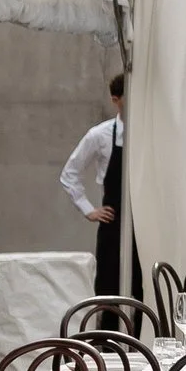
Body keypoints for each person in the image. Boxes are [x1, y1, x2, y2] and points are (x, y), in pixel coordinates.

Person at [61, 73, 131, 297]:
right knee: (109, 284)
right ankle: (108, 332)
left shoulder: (150, 134)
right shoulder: (99, 135)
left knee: (141, 284)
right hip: (113, 220)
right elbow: (69, 173)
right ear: (115, 100)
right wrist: (88, 209)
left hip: (141, 222)